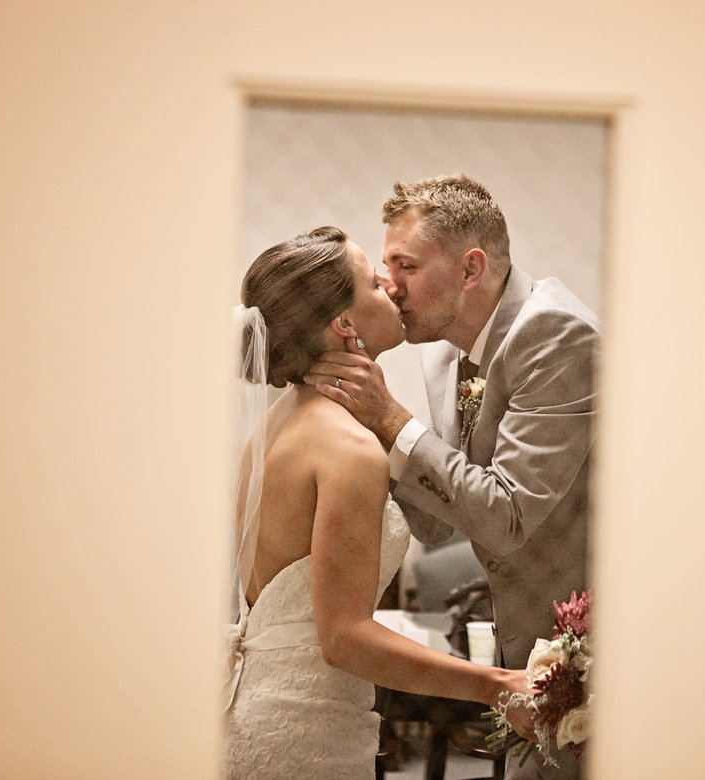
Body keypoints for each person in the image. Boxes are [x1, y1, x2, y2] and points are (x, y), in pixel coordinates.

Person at [306, 176, 598, 779]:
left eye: (406, 265)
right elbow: (440, 526)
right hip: (527, 650)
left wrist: (390, 420)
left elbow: (509, 517)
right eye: (385, 266)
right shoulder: (443, 352)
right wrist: (363, 444)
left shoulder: (555, 334)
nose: (390, 284)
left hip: (597, 648)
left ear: (471, 268)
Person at [223, 226, 532, 780]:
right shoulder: (347, 447)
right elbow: (344, 638)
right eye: (373, 279)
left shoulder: (276, 425)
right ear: (344, 325)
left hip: (266, 708)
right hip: (304, 733)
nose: (390, 286)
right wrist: (497, 683)